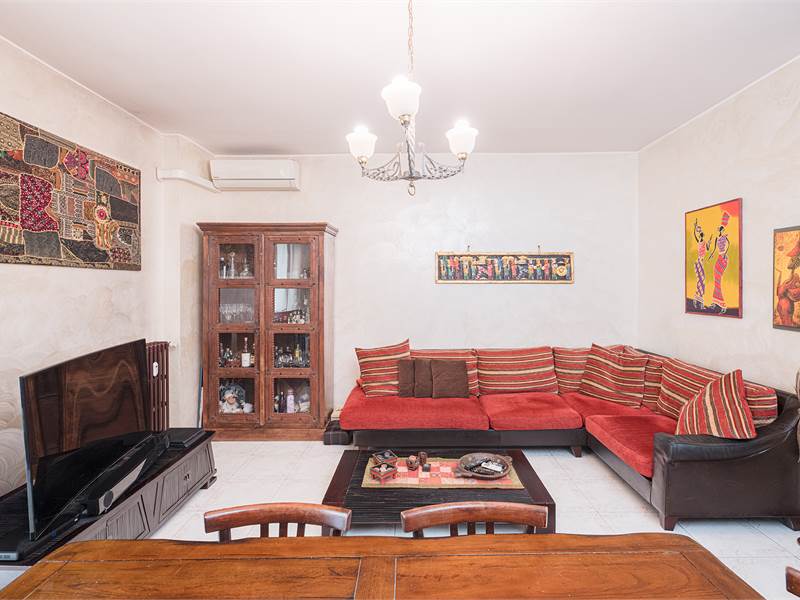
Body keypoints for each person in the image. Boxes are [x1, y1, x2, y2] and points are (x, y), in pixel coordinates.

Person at [707, 212, 731, 314]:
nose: (721, 231)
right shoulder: (717, 238)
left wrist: (725, 253)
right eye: (720, 229)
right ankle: (715, 302)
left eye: (721, 229)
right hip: (718, 257)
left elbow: (728, 245)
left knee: (718, 280)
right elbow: (714, 249)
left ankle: (723, 305)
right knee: (716, 280)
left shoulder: (725, 237)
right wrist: (711, 255)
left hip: (723, 258)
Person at [776, 237, 800, 327]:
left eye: (793, 259)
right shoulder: (789, 274)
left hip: (786, 307)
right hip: (782, 306)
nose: (791, 260)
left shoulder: (795, 276)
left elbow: (795, 293)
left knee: (787, 322)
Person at [692, 219, 713, 309]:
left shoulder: (699, 241)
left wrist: (694, 228)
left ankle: (696, 300)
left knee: (700, 282)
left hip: (698, 262)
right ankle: (700, 303)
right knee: (702, 282)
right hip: (699, 262)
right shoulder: (702, 242)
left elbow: (694, 234)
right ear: (703, 236)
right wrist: (709, 243)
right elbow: (707, 249)